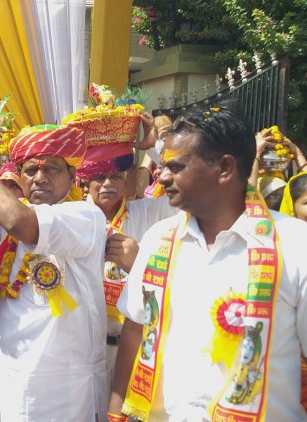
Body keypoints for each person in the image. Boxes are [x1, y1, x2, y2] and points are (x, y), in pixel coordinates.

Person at [110, 107, 307, 421]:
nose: (161, 176)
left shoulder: (296, 245)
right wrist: (115, 413)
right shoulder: (158, 239)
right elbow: (135, 328)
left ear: (225, 169)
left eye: (177, 166)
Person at [0, 125, 108, 420]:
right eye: (31, 169)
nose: (40, 177)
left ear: (72, 177)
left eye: (52, 169)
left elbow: (17, 221)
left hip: (61, 388)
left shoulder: (85, 216)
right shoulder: (8, 214)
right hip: (7, 379)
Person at [77, 141, 178, 396]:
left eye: (115, 176)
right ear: (84, 181)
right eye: (99, 177)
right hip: (84, 350)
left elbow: (193, 196)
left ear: (126, 179)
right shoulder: (72, 219)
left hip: (136, 346)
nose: (108, 183)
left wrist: (155, 146)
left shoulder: (148, 212)